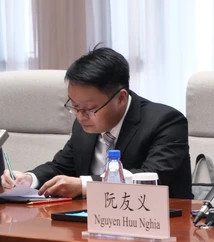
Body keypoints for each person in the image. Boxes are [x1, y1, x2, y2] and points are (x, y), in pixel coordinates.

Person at [1, 46, 193, 199]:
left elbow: (151, 177)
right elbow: (60, 167)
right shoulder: (84, 123)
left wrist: (84, 186)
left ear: (121, 98)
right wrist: (29, 179)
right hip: (92, 222)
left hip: (160, 225)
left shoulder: (166, 122)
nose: (80, 115)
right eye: (74, 106)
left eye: (89, 109)